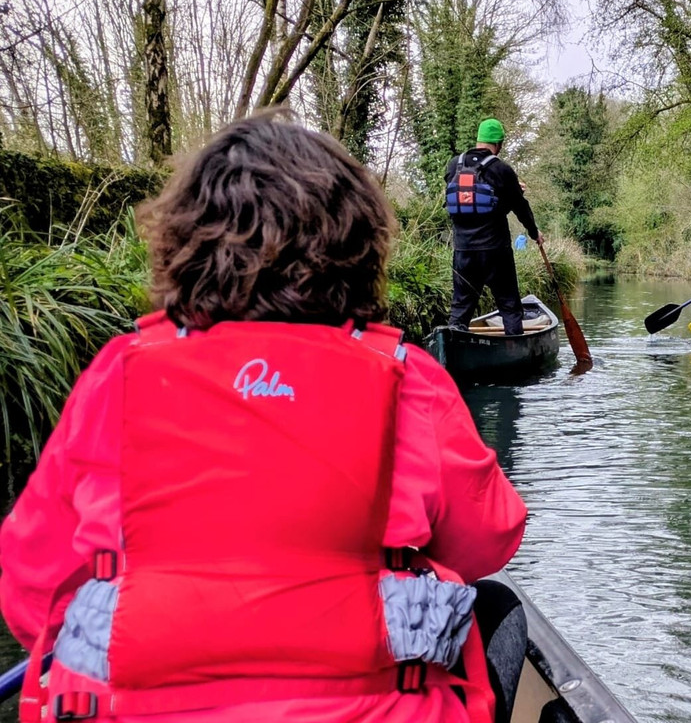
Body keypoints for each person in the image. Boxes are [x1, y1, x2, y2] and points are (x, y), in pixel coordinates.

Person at [0, 112, 528, 723]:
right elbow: (489, 538)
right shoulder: (409, 378)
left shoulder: (119, 372)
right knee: (493, 607)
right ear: (357, 249)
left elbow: (32, 590)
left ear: (184, 244)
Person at [444, 119, 541, 335]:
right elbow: (519, 207)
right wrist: (534, 233)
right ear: (498, 144)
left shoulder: (454, 165)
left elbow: (468, 204)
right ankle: (514, 349)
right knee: (509, 307)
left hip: (463, 252)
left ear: (479, 140)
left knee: (460, 309)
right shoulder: (502, 169)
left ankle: (454, 349)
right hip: (496, 252)